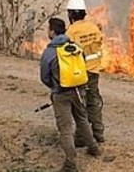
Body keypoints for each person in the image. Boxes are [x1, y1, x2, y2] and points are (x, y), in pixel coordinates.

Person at [41, 17, 99, 172]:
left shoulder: (49, 52)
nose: (48, 31)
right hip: (79, 91)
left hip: (61, 94)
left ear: (52, 31)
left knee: (65, 129)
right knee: (82, 120)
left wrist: (55, 87)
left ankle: (70, 164)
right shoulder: (75, 46)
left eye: (49, 29)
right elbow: (83, 64)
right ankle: (94, 148)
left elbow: (44, 77)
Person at [65, 0, 107, 146]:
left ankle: (81, 137)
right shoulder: (93, 27)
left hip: (80, 73)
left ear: (70, 14)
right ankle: (98, 132)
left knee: (80, 105)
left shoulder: (71, 31)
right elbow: (99, 44)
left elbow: (67, 53)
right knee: (94, 102)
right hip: (94, 71)